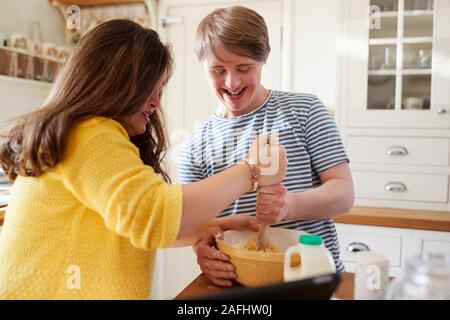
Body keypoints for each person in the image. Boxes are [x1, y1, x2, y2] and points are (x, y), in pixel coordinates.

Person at [0, 19, 287, 299]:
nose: (157, 102)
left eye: (161, 90)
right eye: (151, 88)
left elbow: (138, 225)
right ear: (116, 81)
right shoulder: (89, 133)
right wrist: (250, 171)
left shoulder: (87, 134)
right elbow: (155, 216)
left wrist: (221, 225)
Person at [178, 6, 355, 287]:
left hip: (312, 281)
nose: (231, 82)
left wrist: (289, 206)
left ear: (264, 57)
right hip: (239, 287)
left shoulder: (305, 111)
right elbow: (199, 228)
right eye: (218, 70)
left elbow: (344, 194)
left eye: (243, 68)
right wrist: (201, 251)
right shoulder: (194, 147)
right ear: (202, 65)